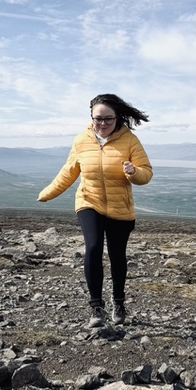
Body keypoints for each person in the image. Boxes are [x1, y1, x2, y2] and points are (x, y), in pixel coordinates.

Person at [37, 93, 153, 327]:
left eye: (107, 120)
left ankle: (118, 302)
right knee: (93, 247)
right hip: (89, 202)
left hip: (120, 208)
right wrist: (46, 194)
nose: (102, 124)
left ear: (117, 117)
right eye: (97, 119)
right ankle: (96, 308)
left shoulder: (130, 141)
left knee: (117, 256)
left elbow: (146, 173)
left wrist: (134, 172)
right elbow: (69, 172)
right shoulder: (82, 141)